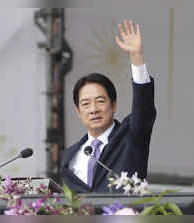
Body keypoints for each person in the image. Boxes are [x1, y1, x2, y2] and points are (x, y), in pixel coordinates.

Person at [60, 19, 156, 193]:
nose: (93, 109)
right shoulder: (69, 156)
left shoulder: (130, 137)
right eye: (86, 104)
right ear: (78, 111)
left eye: (100, 101)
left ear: (114, 105)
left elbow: (144, 108)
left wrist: (137, 58)